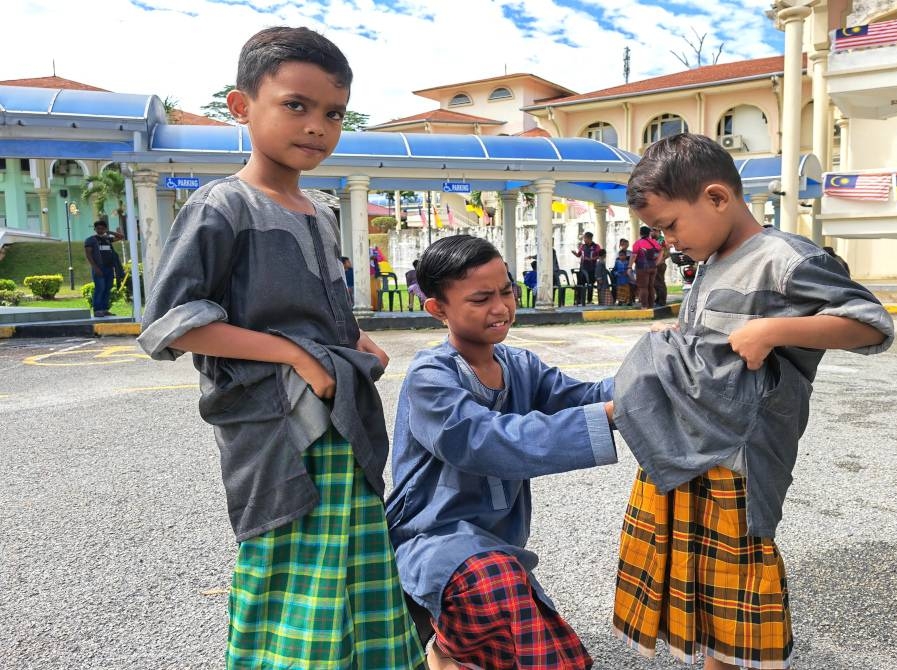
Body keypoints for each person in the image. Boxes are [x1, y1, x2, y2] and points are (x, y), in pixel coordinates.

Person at [136, 27, 424, 669]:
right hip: (275, 430)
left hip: (340, 416)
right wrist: (295, 355)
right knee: (286, 572)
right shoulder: (223, 206)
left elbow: (319, 312)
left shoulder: (318, 209)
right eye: (296, 104)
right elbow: (173, 322)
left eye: (333, 113)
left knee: (354, 563)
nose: (317, 126)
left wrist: (353, 340)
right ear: (241, 107)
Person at [611, 133, 894, 670]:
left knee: (738, 579)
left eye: (670, 225)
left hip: (738, 459)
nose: (668, 240)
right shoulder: (712, 258)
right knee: (702, 585)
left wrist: (773, 330)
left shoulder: (784, 259)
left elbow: (871, 326)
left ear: (717, 198)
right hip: (686, 447)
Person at [386, 235, 617, 670]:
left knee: (536, 647)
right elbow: (483, 440)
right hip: (434, 541)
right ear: (438, 309)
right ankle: (445, 646)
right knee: (501, 597)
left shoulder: (520, 365)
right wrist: (607, 414)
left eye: (507, 290)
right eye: (480, 298)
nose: (501, 307)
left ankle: (450, 650)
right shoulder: (429, 377)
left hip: (495, 549)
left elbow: (585, 396)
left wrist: (654, 372)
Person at [83, 220, 118, 317]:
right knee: (100, 288)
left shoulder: (107, 239)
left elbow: (121, 237)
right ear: (95, 229)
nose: (100, 230)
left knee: (107, 288)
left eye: (102, 228)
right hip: (99, 268)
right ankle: (97, 310)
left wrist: (109, 232)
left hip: (109, 268)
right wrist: (95, 268)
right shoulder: (91, 240)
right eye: (98, 228)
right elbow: (88, 254)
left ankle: (104, 309)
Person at [629, 225, 662, 308]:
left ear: (640, 233)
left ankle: (644, 306)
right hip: (653, 267)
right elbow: (661, 250)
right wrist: (657, 262)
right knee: (651, 286)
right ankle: (651, 305)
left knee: (643, 287)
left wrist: (629, 266)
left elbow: (634, 256)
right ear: (648, 233)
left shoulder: (637, 243)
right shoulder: (653, 242)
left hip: (642, 268)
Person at [571, 231, 601, 304]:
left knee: (590, 283)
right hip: (583, 268)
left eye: (585, 238)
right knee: (581, 284)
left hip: (592, 268)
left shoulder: (596, 246)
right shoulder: (583, 246)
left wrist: (592, 259)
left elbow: (600, 255)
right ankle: (580, 300)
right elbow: (579, 255)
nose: (584, 240)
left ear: (589, 238)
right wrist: (575, 254)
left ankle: (589, 300)